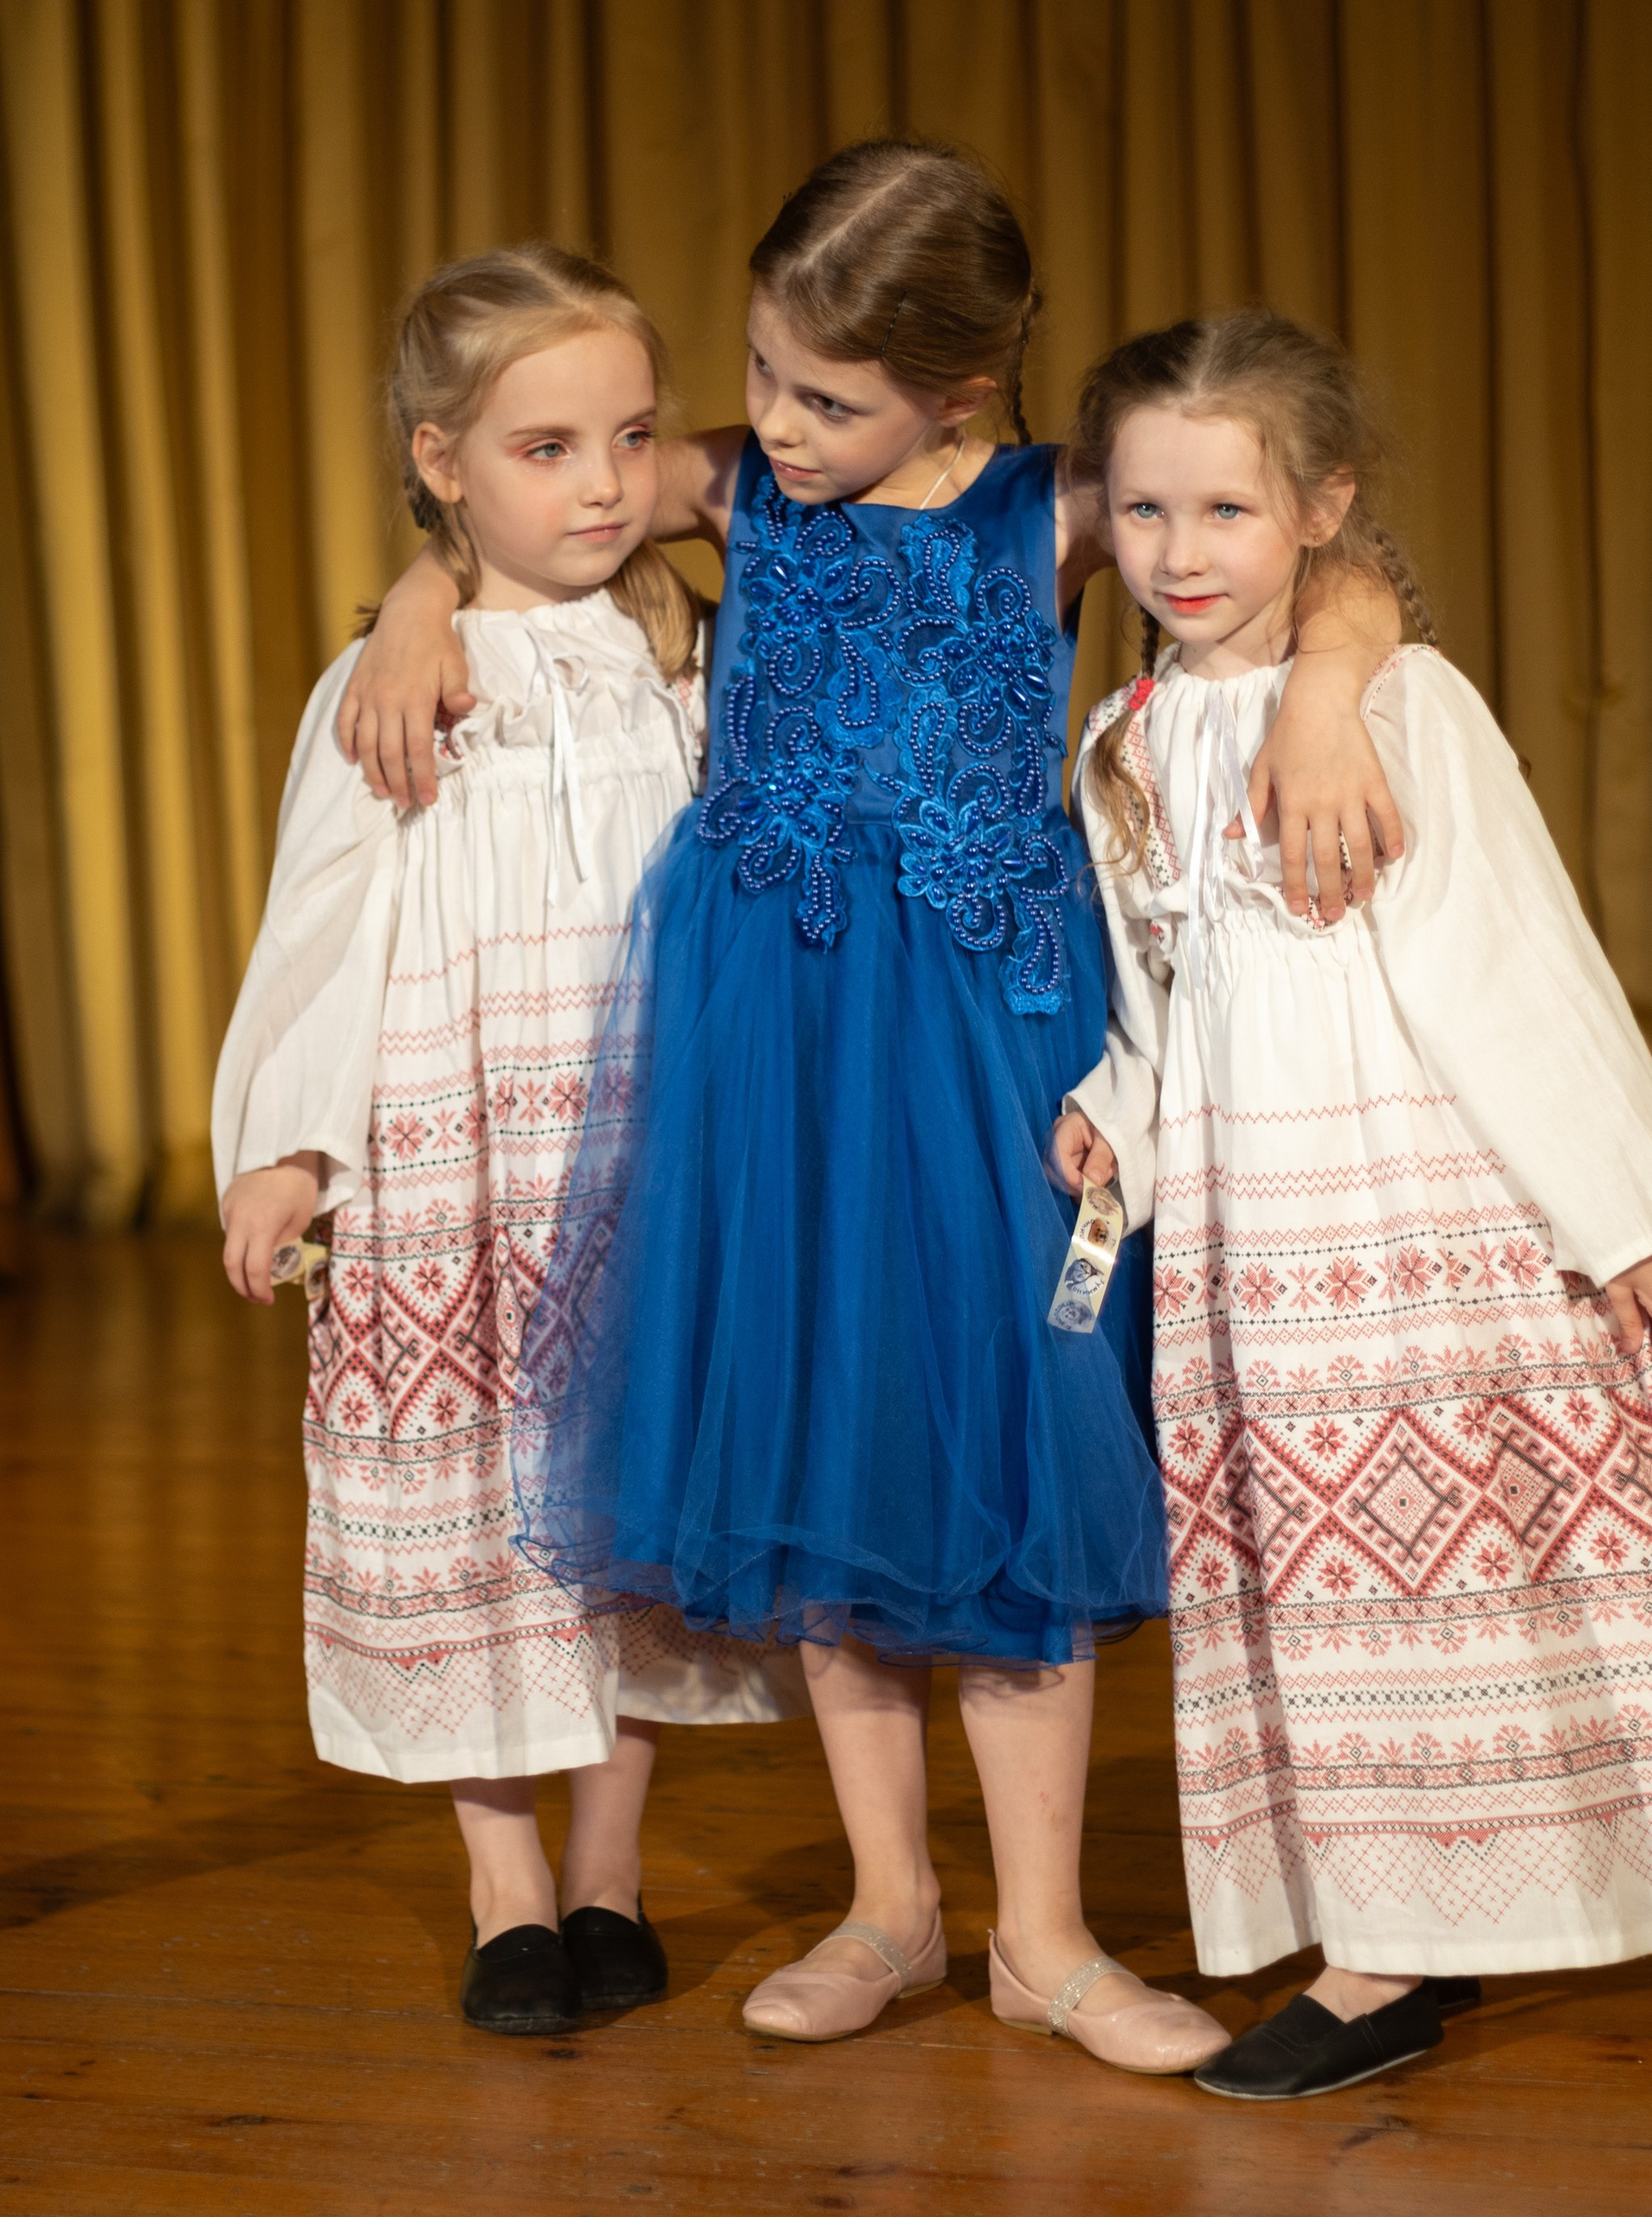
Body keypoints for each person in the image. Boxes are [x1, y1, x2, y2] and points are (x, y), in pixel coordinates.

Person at [351, 141, 1404, 2068]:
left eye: (819, 395)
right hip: (771, 1035)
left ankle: (1051, 1938)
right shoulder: (737, 491)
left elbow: (1316, 559)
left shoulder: (1047, 510)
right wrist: (417, 601)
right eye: (756, 374)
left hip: (987, 1029)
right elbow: (524, 505)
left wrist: (1331, 685)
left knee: (1000, 1447)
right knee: (826, 1445)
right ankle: (891, 1907)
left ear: (966, 384)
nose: (766, 423)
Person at [1055, 308, 1652, 2099]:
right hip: (1260, 1228)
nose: (1176, 554)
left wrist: (1618, 1218)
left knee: (1505, 1561)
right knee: (1339, 1582)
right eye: (1145, 511)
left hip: (1422, 1201)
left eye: (1222, 510)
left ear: (1318, 506)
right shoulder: (1125, 738)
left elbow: (1511, 963)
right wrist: (1118, 1112)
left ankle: (1412, 1935)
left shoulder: (1395, 702)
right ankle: (1393, 1925)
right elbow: (1155, 986)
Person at [212, 245, 802, 2039]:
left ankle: (610, 1864)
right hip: (453, 1154)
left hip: (637, 1153)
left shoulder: (680, 657)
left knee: (616, 1517)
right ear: (438, 456)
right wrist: (280, 1143)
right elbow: (322, 918)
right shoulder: (388, 683)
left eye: (626, 435)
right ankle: (503, 1885)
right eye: (543, 447)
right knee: (481, 1512)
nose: (606, 482)